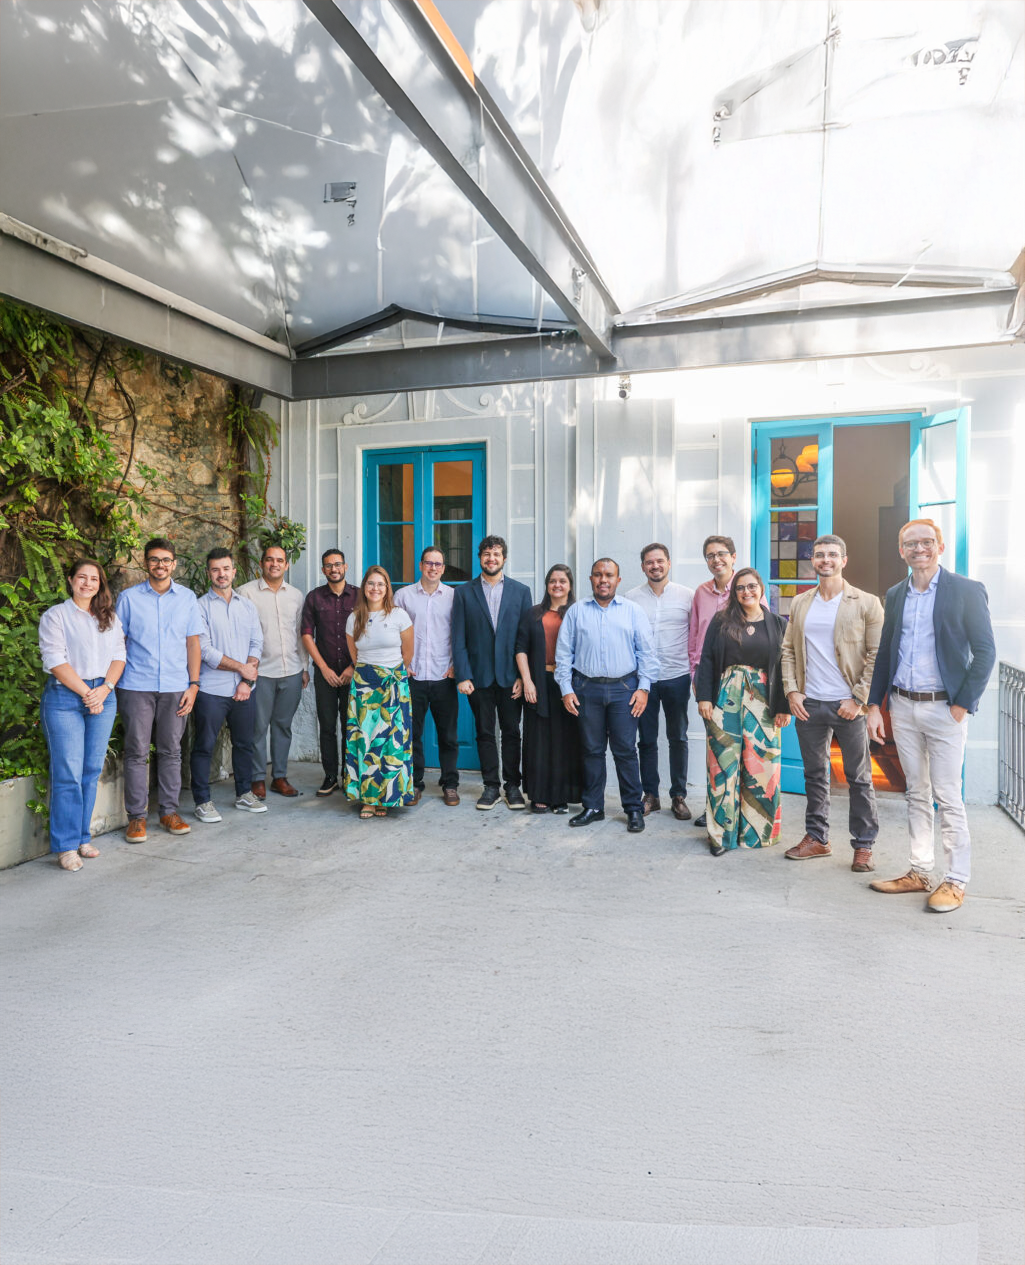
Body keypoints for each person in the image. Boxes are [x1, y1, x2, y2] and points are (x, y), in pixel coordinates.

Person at [866, 519, 996, 913]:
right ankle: (920, 872)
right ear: (901, 550)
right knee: (916, 792)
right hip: (903, 707)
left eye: (926, 542)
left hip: (945, 709)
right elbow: (886, 652)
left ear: (940, 546)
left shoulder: (966, 590)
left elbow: (985, 652)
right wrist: (875, 705)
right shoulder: (895, 594)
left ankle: (955, 880)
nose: (919, 549)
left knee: (948, 795)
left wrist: (962, 704)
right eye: (911, 544)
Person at [781, 535, 884, 871]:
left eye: (832, 555)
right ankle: (817, 838)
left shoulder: (866, 603)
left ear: (844, 560)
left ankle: (864, 845)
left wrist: (858, 699)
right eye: (819, 555)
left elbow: (877, 655)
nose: (825, 560)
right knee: (814, 774)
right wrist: (792, 691)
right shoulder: (801, 602)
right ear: (813, 560)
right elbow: (788, 650)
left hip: (848, 706)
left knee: (859, 777)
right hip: (809, 703)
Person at [555, 558, 658, 833]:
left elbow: (647, 653)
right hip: (586, 689)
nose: (603, 580)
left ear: (617, 580)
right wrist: (566, 689)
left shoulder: (633, 611)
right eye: (598, 575)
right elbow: (563, 654)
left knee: (625, 750)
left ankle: (633, 808)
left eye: (609, 575)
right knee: (591, 750)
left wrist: (643, 688)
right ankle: (593, 807)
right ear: (591, 579)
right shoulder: (576, 611)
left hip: (625, 690)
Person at [695, 568, 790, 856]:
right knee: (722, 764)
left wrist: (784, 706)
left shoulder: (777, 623)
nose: (746, 592)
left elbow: (786, 666)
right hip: (726, 696)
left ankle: (757, 833)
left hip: (764, 699)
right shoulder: (722, 621)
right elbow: (707, 659)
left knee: (762, 765)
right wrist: (704, 698)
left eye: (751, 586)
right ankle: (721, 835)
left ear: (761, 589)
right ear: (734, 593)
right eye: (740, 588)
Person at [38, 559, 126, 870]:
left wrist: (104, 689)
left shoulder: (109, 617)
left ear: (100, 584)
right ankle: (65, 846)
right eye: (82, 577)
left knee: (90, 770)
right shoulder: (56, 616)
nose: (88, 583)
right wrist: (89, 694)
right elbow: (55, 660)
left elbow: (119, 656)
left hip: (103, 695)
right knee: (68, 773)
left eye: (94, 579)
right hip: (65, 697)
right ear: (70, 580)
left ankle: (82, 837)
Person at [116, 536, 203, 842]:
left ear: (174, 564)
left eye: (166, 560)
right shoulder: (128, 599)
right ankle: (136, 818)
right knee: (136, 751)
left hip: (176, 687)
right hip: (135, 685)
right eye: (154, 559)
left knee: (171, 751)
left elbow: (193, 643)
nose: (160, 565)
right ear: (146, 563)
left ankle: (168, 812)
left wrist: (194, 685)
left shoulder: (187, 599)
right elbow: (118, 643)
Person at [688, 535, 766, 829]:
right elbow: (695, 638)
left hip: (747, 685)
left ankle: (745, 812)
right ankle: (716, 809)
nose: (716, 559)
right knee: (719, 751)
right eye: (710, 555)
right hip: (711, 682)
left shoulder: (748, 589)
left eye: (721, 553)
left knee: (747, 750)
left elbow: (764, 634)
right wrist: (696, 678)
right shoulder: (701, 593)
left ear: (733, 557)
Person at [451, 535, 532, 810]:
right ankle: (491, 786)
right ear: (480, 558)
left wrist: (522, 676)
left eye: (496, 554)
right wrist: (463, 675)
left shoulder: (521, 592)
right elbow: (458, 637)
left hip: (511, 678)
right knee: (484, 732)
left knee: (511, 732)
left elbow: (525, 638)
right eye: (487, 554)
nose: (491, 558)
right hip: (479, 678)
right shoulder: (463, 593)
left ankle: (512, 786)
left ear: (504, 558)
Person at [190, 549, 266, 822]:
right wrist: (241, 669)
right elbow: (205, 651)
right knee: (204, 745)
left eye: (225, 569)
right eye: (215, 569)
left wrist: (246, 680)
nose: (221, 574)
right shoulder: (199, 607)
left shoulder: (247, 606)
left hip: (244, 689)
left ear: (234, 572)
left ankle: (244, 793)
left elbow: (257, 643)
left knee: (244, 744)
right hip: (211, 690)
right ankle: (202, 801)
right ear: (208, 573)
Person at [626, 543, 694, 820]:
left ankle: (678, 796)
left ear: (669, 563)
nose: (655, 566)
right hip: (645, 680)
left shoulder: (687, 596)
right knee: (646, 739)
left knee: (678, 737)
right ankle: (651, 795)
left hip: (677, 676)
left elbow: (696, 635)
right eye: (649, 562)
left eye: (660, 561)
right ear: (643, 566)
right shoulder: (631, 598)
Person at [344, 566, 416, 818]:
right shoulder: (354, 618)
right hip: (364, 686)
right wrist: (370, 677)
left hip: (394, 685)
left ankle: (387, 796)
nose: (375, 588)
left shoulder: (399, 616)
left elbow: (408, 652)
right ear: (364, 587)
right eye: (371, 583)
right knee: (365, 741)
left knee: (390, 742)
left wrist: (391, 675)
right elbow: (355, 655)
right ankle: (368, 799)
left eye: (380, 584)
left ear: (387, 589)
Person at [238, 544, 308, 799]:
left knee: (283, 726)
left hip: (291, 670)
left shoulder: (296, 596)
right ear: (262, 564)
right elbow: (240, 634)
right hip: (261, 673)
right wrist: (245, 672)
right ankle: (257, 778)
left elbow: (300, 634)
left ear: (286, 565)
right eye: (269, 559)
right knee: (257, 728)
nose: (274, 564)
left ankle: (279, 776)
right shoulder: (245, 593)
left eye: (280, 560)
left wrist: (304, 667)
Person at [394, 546, 460, 806]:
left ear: (443, 568)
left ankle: (450, 784)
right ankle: (414, 783)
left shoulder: (454, 596)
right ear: (421, 565)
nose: (433, 568)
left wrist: (457, 665)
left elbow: (460, 633)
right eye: (429, 563)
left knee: (449, 736)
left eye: (438, 564)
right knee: (413, 734)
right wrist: (402, 663)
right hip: (414, 676)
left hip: (445, 675)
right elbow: (393, 632)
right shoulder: (404, 596)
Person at [515, 563, 583, 813]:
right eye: (553, 581)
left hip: (569, 684)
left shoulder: (578, 613)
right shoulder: (533, 613)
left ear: (570, 585)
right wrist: (527, 680)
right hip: (538, 682)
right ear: (546, 585)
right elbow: (520, 648)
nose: (557, 585)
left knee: (566, 739)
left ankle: (561, 796)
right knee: (539, 740)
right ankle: (540, 794)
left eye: (562, 581)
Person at [301, 548, 359, 797]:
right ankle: (330, 776)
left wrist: (353, 666)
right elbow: (306, 634)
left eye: (337, 564)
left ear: (345, 567)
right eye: (328, 565)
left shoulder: (359, 596)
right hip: (325, 674)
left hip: (352, 673)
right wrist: (323, 668)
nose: (334, 569)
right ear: (323, 569)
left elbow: (368, 632)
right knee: (327, 726)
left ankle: (349, 775)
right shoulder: (314, 597)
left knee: (350, 726)